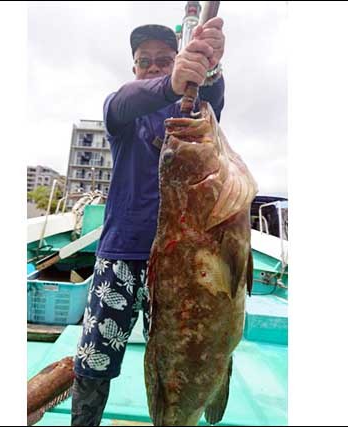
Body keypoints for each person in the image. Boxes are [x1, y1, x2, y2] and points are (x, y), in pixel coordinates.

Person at [71, 18, 226, 426]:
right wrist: (173, 80)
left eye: (165, 60)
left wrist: (210, 68)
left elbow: (213, 103)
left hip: (181, 263)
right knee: (94, 359)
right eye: (145, 62)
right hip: (121, 253)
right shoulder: (123, 114)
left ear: (178, 60)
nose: (154, 67)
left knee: (180, 360)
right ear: (134, 68)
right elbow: (124, 100)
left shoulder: (191, 115)